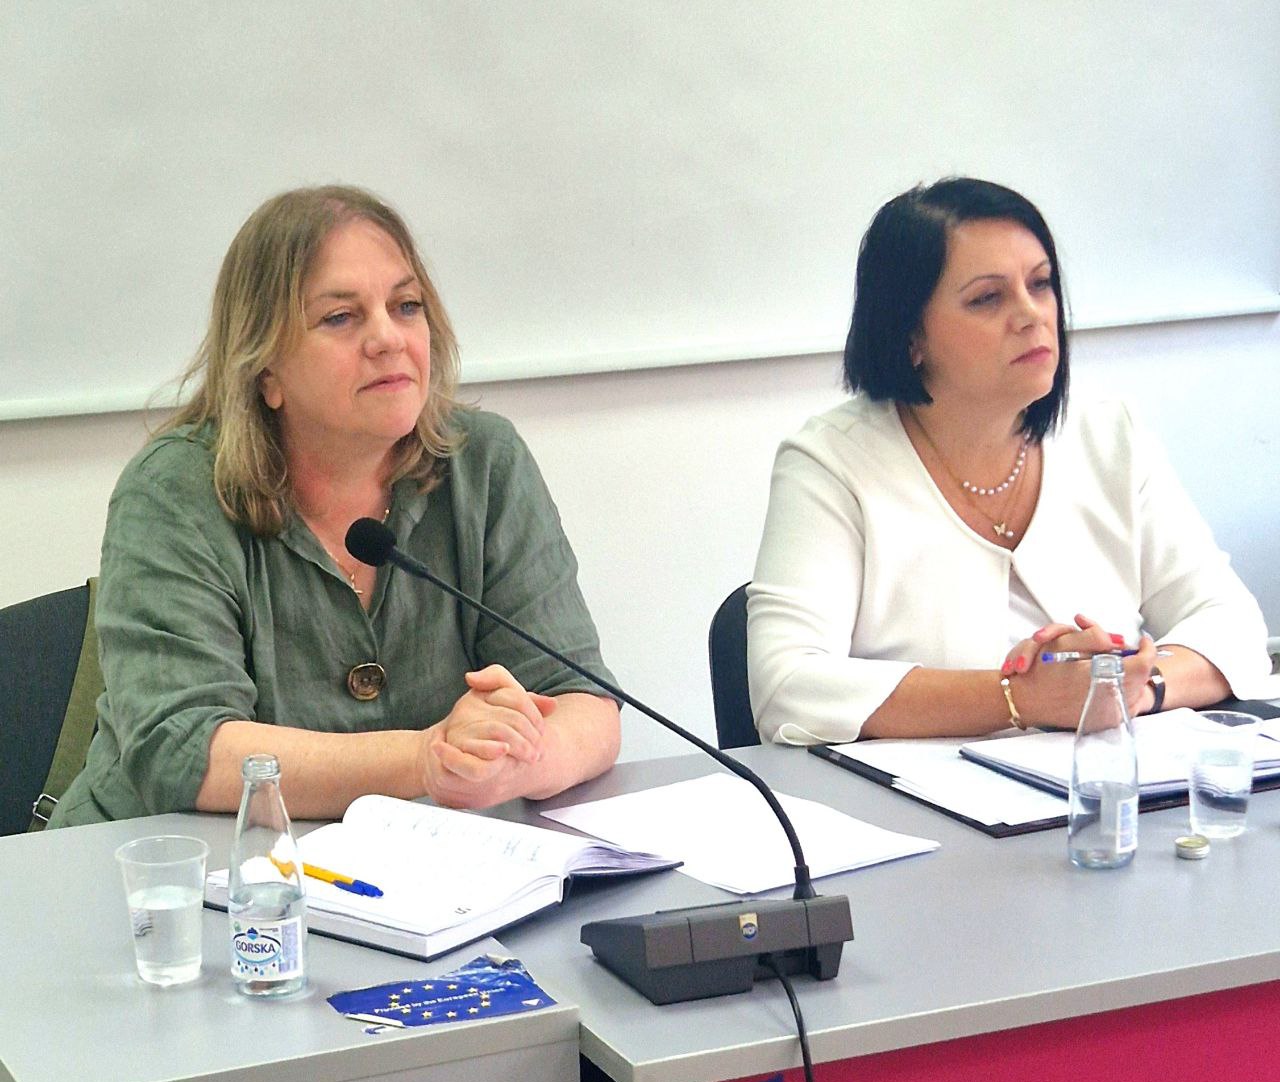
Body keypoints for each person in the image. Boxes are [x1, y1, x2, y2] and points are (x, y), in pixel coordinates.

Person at [51, 185, 620, 825]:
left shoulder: (484, 462)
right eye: (341, 318)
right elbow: (183, 749)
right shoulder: (173, 490)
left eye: (406, 306)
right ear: (265, 369)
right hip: (174, 865)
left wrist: (513, 759)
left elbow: (583, 702)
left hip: (409, 869)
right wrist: (424, 759)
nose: (388, 338)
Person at [748, 177, 1272, 745]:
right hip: (917, 794)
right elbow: (787, 686)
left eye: (1041, 284)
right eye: (987, 298)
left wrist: (1133, 690)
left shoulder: (1108, 434)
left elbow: (1232, 623)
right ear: (910, 336)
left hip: (1109, 780)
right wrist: (1020, 698)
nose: (1031, 315)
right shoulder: (831, 462)